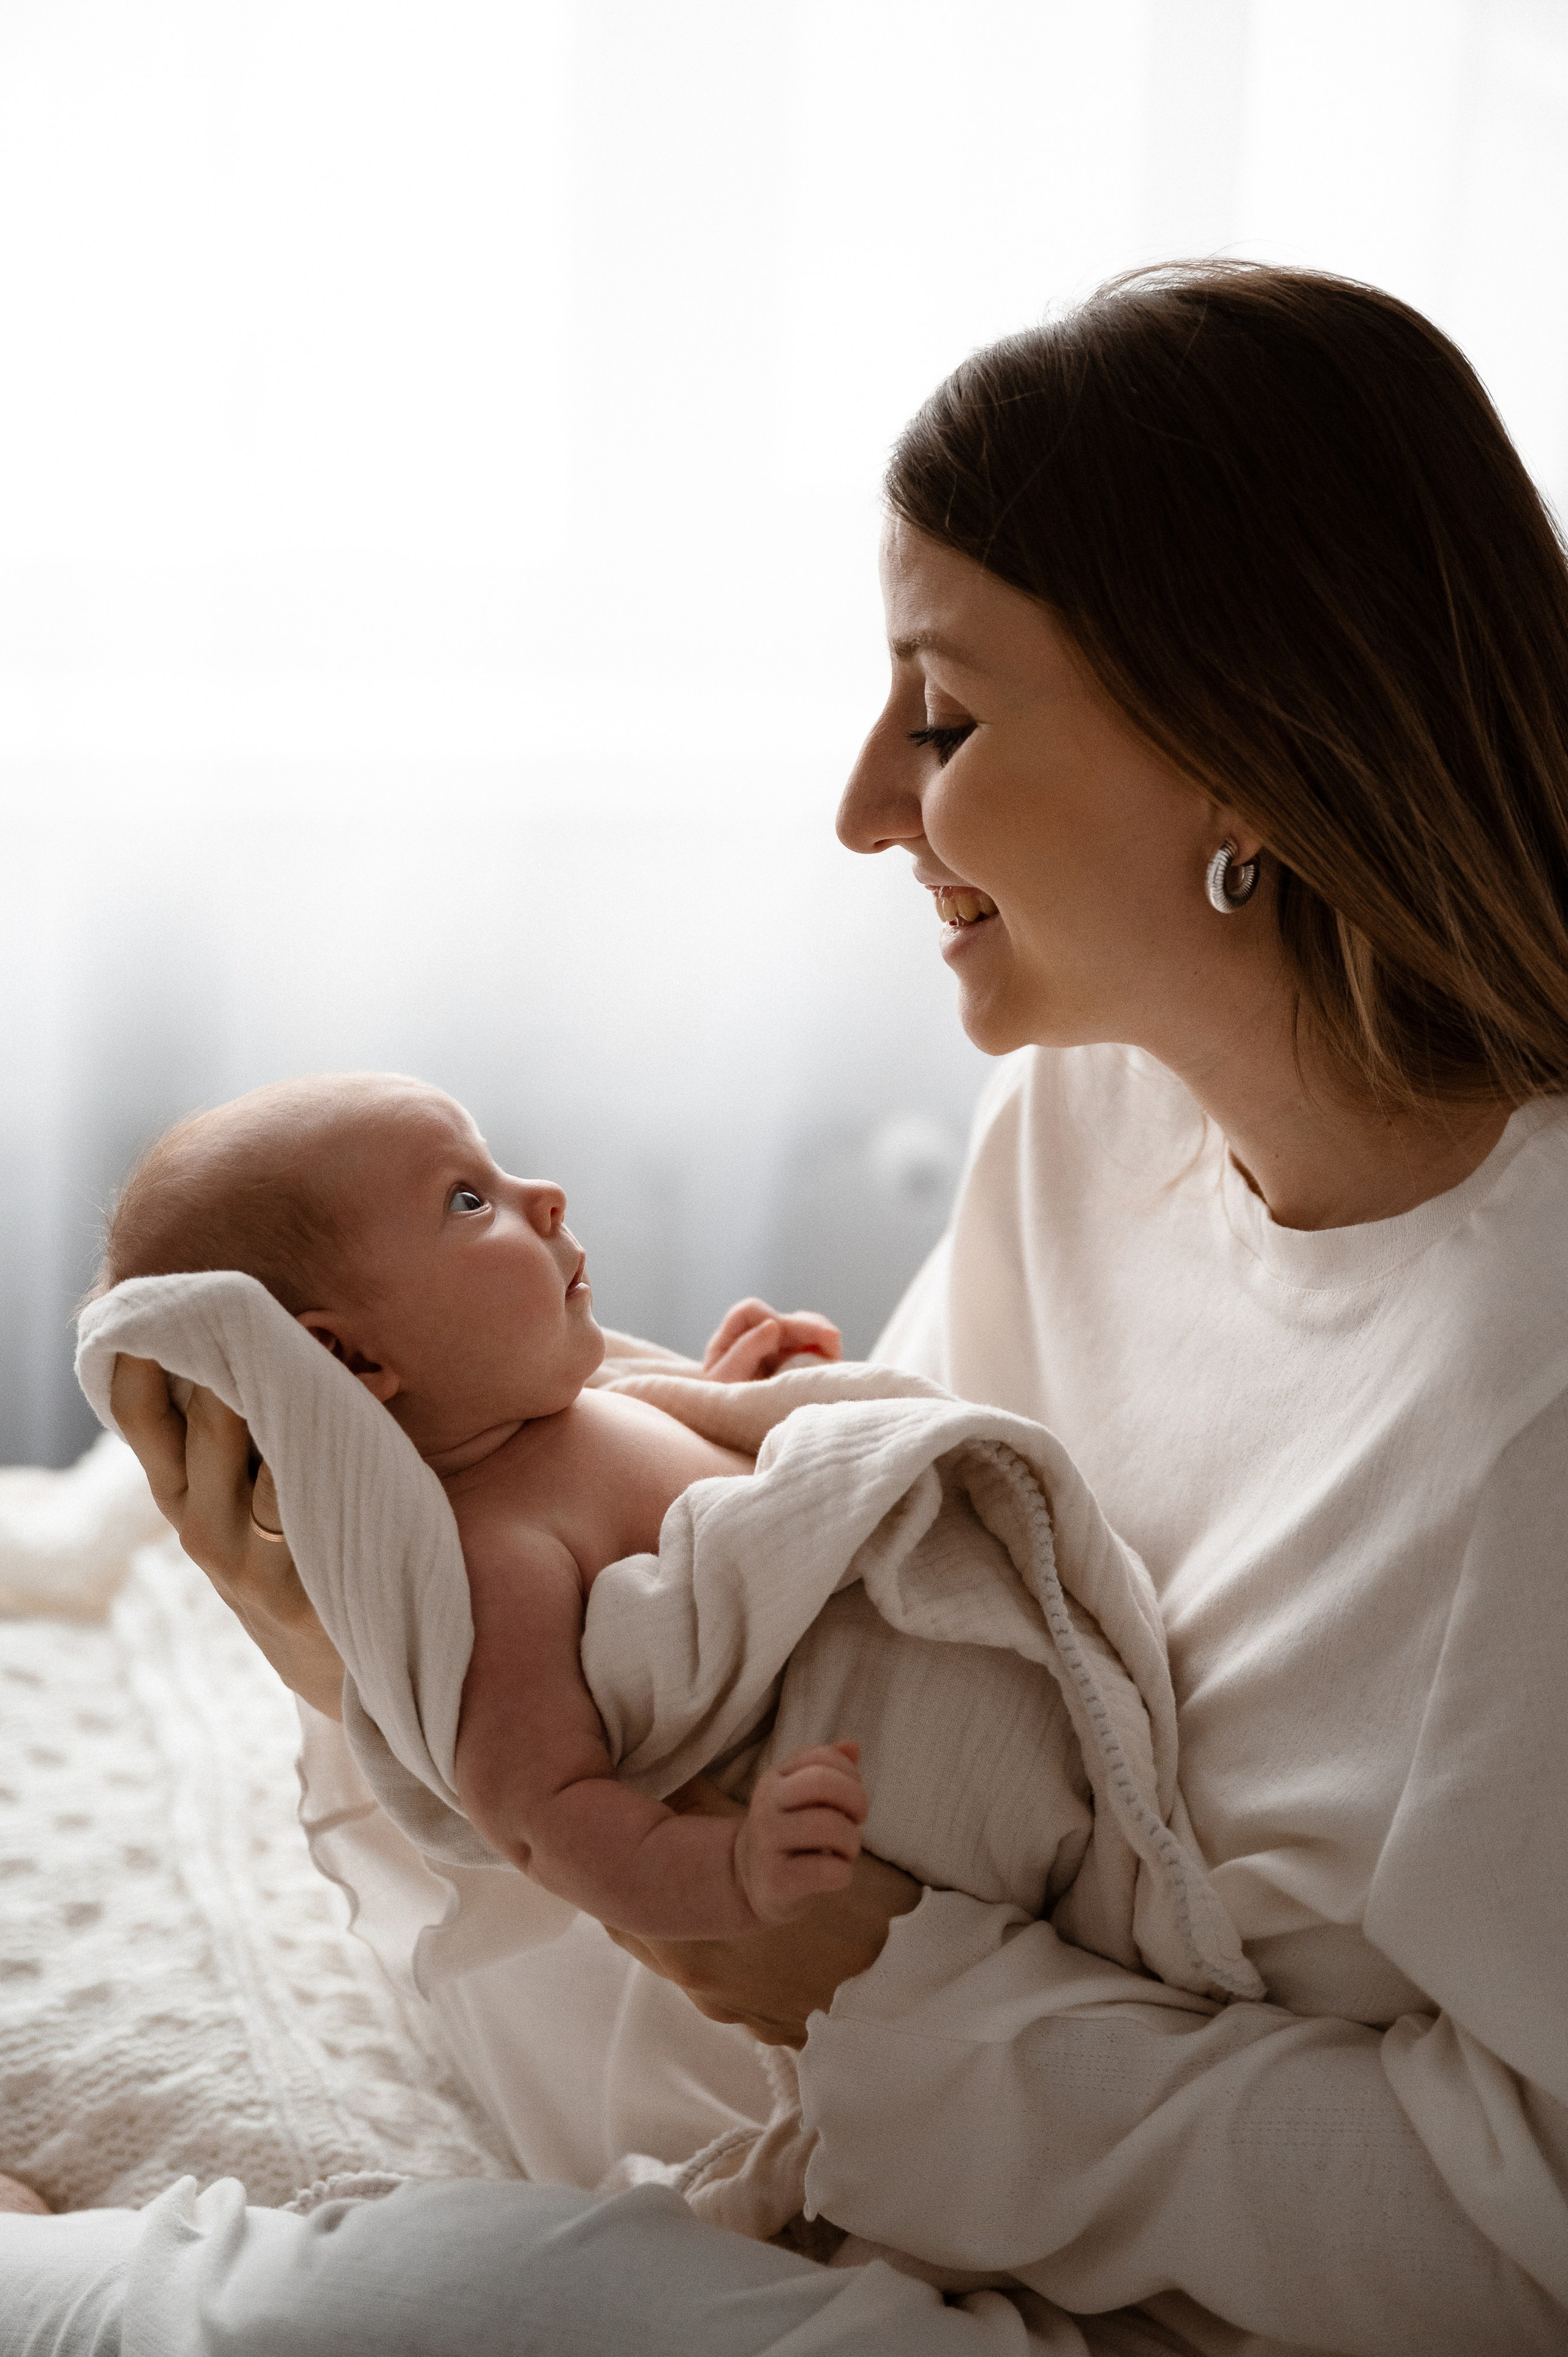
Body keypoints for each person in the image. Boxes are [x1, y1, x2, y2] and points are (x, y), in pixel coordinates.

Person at [4, 258, 1567, 2355]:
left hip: (1191, 2262)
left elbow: (1521, 2239)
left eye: (945, 714)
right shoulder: (1089, 1125)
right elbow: (808, 1675)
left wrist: (877, 1991)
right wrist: (383, 1661)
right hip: (881, 2083)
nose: (862, 805)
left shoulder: (1528, 1395)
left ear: (1245, 757)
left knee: (353, 2320)